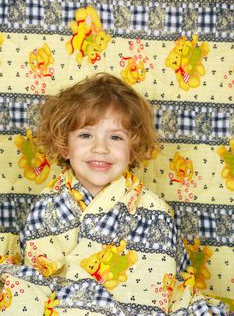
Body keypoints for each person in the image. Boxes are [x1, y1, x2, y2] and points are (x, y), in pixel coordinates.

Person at [0, 73, 228, 315]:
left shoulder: (154, 213)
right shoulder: (46, 208)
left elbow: (156, 278)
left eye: (116, 137)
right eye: (86, 135)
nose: (101, 148)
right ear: (65, 146)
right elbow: (38, 275)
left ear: (132, 150)